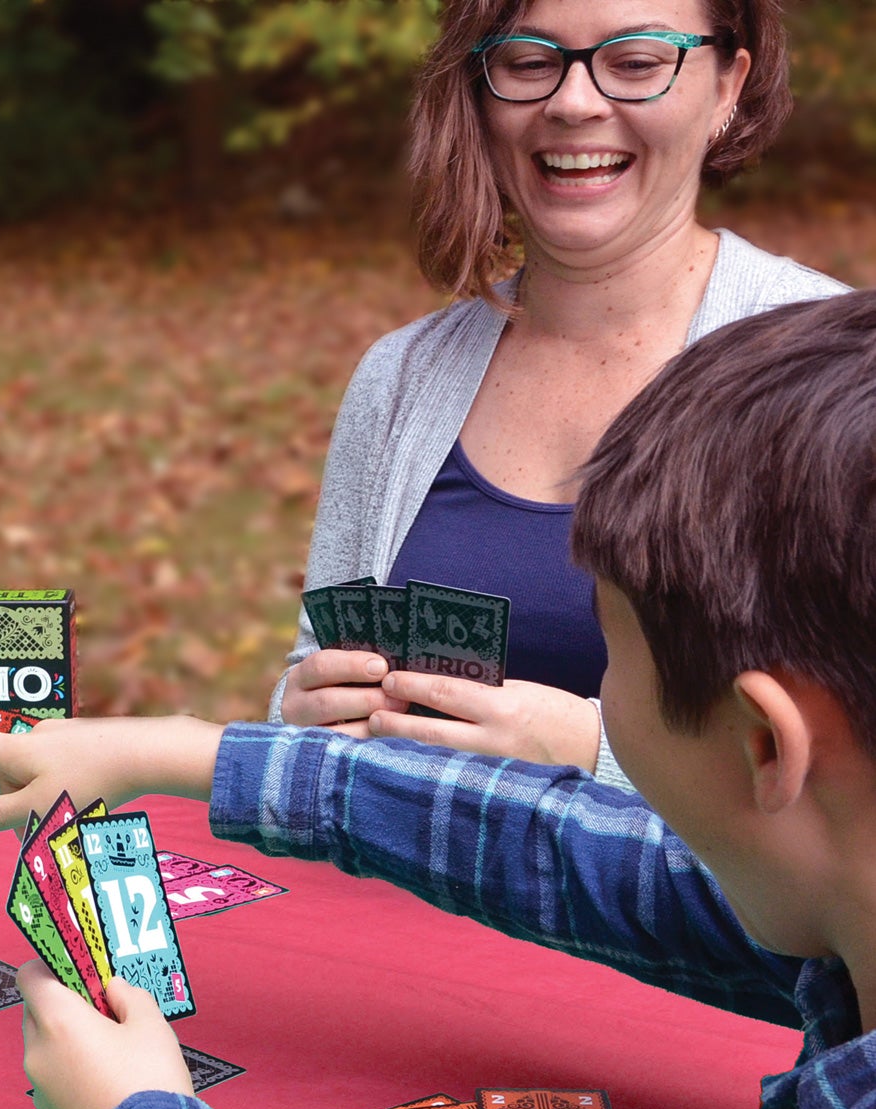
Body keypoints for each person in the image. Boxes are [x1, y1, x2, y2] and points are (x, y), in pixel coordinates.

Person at [0, 290, 876, 1109]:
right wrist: (193, 754)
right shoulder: (848, 895)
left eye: (609, 661)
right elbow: (593, 858)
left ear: (763, 745)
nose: (604, 706)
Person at [277, 0, 845, 792]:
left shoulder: (836, 379)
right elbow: (309, 680)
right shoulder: (401, 377)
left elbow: (852, 797)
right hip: (396, 909)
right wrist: (302, 711)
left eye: (637, 62)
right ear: (479, 91)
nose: (574, 102)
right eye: (529, 61)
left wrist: (596, 750)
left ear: (727, 87)